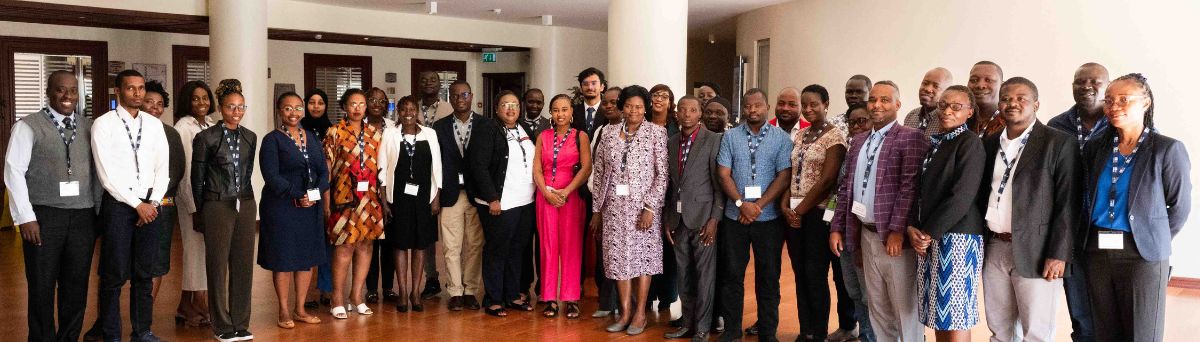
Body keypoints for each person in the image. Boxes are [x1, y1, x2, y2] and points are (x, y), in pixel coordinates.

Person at [1083, 73, 1190, 342]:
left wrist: (1150, 235)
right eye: (1108, 100)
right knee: (1104, 332)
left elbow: (1179, 207)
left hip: (1142, 254)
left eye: (1123, 99)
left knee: (1142, 334)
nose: (1113, 106)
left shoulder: (1166, 149)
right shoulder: (1097, 147)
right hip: (1097, 251)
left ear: (1145, 103)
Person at [977, 77, 1078, 342]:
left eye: (1021, 98)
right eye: (1006, 98)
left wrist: (1059, 253)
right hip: (995, 247)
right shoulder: (989, 144)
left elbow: (1068, 202)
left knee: (1036, 332)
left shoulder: (1058, 143)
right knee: (999, 328)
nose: (1012, 103)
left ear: (1036, 104)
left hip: (1038, 249)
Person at [830, 81, 928, 342]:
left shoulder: (910, 137)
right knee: (877, 308)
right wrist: (837, 227)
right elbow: (847, 189)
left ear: (897, 104)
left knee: (904, 310)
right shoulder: (859, 140)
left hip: (893, 238)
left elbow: (910, 188)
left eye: (885, 100)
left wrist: (897, 231)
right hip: (865, 233)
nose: (877, 105)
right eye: (873, 100)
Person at [5, 70, 98, 342]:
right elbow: (13, 172)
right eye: (60, 89)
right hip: (44, 217)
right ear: (48, 91)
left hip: (82, 217)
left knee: (76, 287)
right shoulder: (28, 126)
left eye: (72, 90)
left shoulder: (90, 126)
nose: (67, 96)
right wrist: (25, 218)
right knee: (42, 286)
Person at [92, 69, 170, 342]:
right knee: (113, 274)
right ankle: (111, 333)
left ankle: (142, 330)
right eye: (131, 88)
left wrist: (153, 202)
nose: (137, 93)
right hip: (119, 206)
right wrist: (137, 204)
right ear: (118, 91)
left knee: (143, 273)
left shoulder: (154, 124)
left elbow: (163, 169)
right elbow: (106, 175)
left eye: (141, 88)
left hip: (151, 206)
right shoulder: (104, 124)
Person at [907, 85, 986, 341]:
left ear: (970, 112)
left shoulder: (970, 143)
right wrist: (916, 229)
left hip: (958, 238)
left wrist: (927, 232)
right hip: (932, 237)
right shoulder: (937, 143)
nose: (947, 111)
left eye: (956, 107)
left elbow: (962, 196)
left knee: (956, 315)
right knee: (939, 314)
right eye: (943, 105)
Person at [715, 88, 794, 342]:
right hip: (734, 217)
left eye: (757, 105)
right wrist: (741, 203)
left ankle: (768, 332)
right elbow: (723, 173)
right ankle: (732, 330)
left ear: (767, 107)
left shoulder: (782, 139)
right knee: (732, 275)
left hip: (768, 219)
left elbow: (784, 176)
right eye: (748, 106)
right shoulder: (730, 136)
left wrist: (757, 205)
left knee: (769, 277)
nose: (752, 110)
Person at [590, 85, 669, 335]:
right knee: (617, 261)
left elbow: (662, 175)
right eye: (628, 106)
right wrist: (597, 210)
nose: (633, 110)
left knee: (642, 261)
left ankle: (639, 313)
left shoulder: (657, 133)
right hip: (613, 209)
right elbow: (600, 173)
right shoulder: (609, 134)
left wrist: (650, 207)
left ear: (645, 108)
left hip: (642, 211)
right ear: (621, 107)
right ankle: (624, 312)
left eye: (638, 106)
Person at [192, 79, 259, 342]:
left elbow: (248, 171)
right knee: (217, 265)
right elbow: (196, 179)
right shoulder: (205, 137)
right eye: (231, 106)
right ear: (220, 108)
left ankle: (240, 322)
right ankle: (221, 323)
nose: (237, 111)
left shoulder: (250, 137)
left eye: (241, 107)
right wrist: (200, 211)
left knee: (243, 265)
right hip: (216, 204)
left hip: (245, 201)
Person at [781, 85, 847, 341]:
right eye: (805, 105)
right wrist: (786, 207)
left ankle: (818, 332)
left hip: (818, 215)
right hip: (795, 214)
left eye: (814, 105)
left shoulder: (835, 137)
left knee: (815, 273)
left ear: (826, 104)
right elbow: (790, 173)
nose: (808, 110)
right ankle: (804, 329)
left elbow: (827, 180)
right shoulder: (800, 136)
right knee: (799, 273)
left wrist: (800, 210)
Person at [258, 92, 329, 327]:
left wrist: (314, 194)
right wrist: (300, 195)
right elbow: (271, 177)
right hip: (282, 207)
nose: (294, 113)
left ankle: (300, 309)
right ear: (279, 111)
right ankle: (284, 311)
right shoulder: (272, 140)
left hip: (309, 208)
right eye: (288, 108)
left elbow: (323, 172)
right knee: (284, 258)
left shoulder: (311, 137)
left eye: (298, 108)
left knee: (305, 259)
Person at [467, 91, 537, 317]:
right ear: (496, 108)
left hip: (525, 201)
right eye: (505, 105)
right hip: (500, 202)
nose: (511, 109)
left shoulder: (523, 129)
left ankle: (513, 294)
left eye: (515, 105)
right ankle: (494, 298)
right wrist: (492, 198)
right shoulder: (488, 129)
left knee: (517, 250)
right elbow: (478, 166)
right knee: (497, 249)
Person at [662, 96, 724, 341]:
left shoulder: (713, 140)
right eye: (682, 110)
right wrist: (668, 218)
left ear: (700, 114)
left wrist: (714, 219)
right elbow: (671, 185)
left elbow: (719, 184)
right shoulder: (672, 141)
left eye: (693, 110)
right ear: (676, 113)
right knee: (684, 274)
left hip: (703, 218)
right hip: (678, 220)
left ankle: (702, 328)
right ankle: (687, 323)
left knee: (704, 276)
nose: (687, 114)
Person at [323, 88, 385, 319]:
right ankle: (337, 298)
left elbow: (382, 168)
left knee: (365, 245)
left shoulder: (374, 133)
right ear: (344, 107)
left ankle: (356, 296)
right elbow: (326, 170)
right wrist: (326, 201)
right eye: (353, 104)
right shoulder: (334, 132)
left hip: (370, 199)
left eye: (361, 104)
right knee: (344, 246)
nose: (357, 108)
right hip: (343, 199)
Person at [378, 95, 443, 313]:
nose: (408, 113)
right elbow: (382, 167)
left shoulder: (430, 134)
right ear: (398, 112)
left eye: (412, 109)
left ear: (418, 112)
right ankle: (403, 291)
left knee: (420, 244)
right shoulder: (390, 134)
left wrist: (436, 197)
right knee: (399, 244)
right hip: (398, 199)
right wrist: (384, 199)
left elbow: (438, 168)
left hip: (424, 198)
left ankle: (416, 291)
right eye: (404, 109)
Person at [532, 94, 593, 318]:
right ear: (551, 113)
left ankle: (571, 298)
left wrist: (566, 192)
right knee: (548, 246)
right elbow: (537, 169)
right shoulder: (543, 136)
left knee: (571, 247)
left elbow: (586, 168)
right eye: (556, 110)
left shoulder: (581, 136)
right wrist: (547, 193)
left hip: (572, 197)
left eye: (564, 109)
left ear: (572, 113)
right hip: (546, 196)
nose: (560, 114)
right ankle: (549, 298)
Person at [431, 80, 485, 311]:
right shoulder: (439, 127)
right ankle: (455, 291)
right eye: (455, 95)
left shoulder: (486, 125)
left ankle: (470, 289)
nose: (460, 98)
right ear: (450, 98)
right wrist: (436, 195)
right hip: (451, 193)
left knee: (475, 244)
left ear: (471, 96)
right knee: (451, 245)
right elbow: (433, 164)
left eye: (464, 94)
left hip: (477, 195)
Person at [172, 80, 216, 328]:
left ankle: (185, 306)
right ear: (187, 102)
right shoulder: (183, 127)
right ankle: (199, 300)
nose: (202, 103)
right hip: (192, 198)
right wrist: (194, 207)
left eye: (205, 98)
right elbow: (188, 170)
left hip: (210, 198)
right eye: (196, 99)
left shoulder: (210, 124)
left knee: (204, 250)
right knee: (194, 250)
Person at [832, 101, 876, 342]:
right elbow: (842, 194)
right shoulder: (851, 151)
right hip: (847, 230)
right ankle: (864, 334)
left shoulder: (878, 152)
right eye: (853, 122)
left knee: (869, 294)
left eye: (863, 121)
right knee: (854, 291)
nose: (858, 126)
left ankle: (872, 337)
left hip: (867, 234)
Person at [142, 81, 184, 303]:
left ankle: (145, 316)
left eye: (159, 104)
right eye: (149, 102)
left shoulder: (170, 134)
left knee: (156, 263)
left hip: (161, 207)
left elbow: (176, 171)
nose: (154, 108)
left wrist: (153, 201)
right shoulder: (123, 130)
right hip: (130, 205)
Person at [589, 85, 623, 318]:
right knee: (606, 253)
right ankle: (607, 301)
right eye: (606, 102)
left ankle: (624, 303)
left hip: (628, 203)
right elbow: (594, 168)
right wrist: (597, 202)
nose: (609, 106)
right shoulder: (601, 130)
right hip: (603, 201)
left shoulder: (632, 130)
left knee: (625, 253)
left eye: (614, 102)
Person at [647, 83, 680, 315]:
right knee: (647, 246)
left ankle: (668, 296)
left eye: (664, 96)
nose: (659, 99)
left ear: (671, 102)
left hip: (671, 194)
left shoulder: (676, 128)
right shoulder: (643, 126)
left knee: (668, 246)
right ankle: (647, 296)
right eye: (655, 95)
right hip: (645, 194)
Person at [300, 88, 334, 309]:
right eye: (311, 102)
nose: (316, 106)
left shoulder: (333, 130)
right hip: (304, 192)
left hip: (328, 190)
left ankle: (327, 289)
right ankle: (309, 292)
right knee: (308, 243)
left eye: (320, 102)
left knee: (329, 243)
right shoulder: (297, 128)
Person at [365, 88, 397, 304]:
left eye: (381, 101)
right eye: (373, 100)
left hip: (390, 190)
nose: (377, 103)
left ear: (387, 105)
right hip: (365, 191)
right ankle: (370, 289)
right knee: (370, 243)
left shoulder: (394, 127)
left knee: (389, 242)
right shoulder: (359, 126)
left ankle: (387, 288)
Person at [519, 87, 550, 304]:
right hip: (520, 192)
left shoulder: (550, 125)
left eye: (539, 102)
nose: (534, 106)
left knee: (542, 243)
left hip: (543, 192)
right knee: (522, 242)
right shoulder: (515, 123)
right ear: (524, 102)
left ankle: (542, 287)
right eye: (531, 102)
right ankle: (523, 285)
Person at [903, 67, 953, 138]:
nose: (928, 89)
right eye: (925, 83)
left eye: (936, 86)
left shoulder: (947, 120)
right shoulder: (911, 116)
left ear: (946, 93)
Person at [968, 61, 1005, 137]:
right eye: (974, 80)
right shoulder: (958, 118)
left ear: (1002, 86)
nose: (980, 85)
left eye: (988, 80)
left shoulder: (1011, 124)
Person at [572, 67, 607, 135]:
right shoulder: (573, 111)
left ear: (602, 87)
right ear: (581, 89)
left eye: (594, 83)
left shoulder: (608, 111)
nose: (590, 87)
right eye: (585, 84)